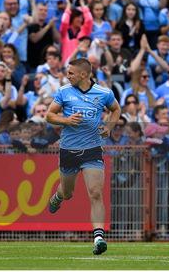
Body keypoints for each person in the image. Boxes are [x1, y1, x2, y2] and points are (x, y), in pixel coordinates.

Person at [46, 58, 121, 255]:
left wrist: (110, 126)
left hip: (92, 149)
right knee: (68, 193)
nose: (67, 76)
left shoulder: (104, 93)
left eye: (71, 73)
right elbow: (49, 115)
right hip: (69, 150)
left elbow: (116, 110)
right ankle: (57, 197)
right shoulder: (64, 91)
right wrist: (66, 120)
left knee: (95, 192)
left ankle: (98, 238)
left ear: (83, 75)